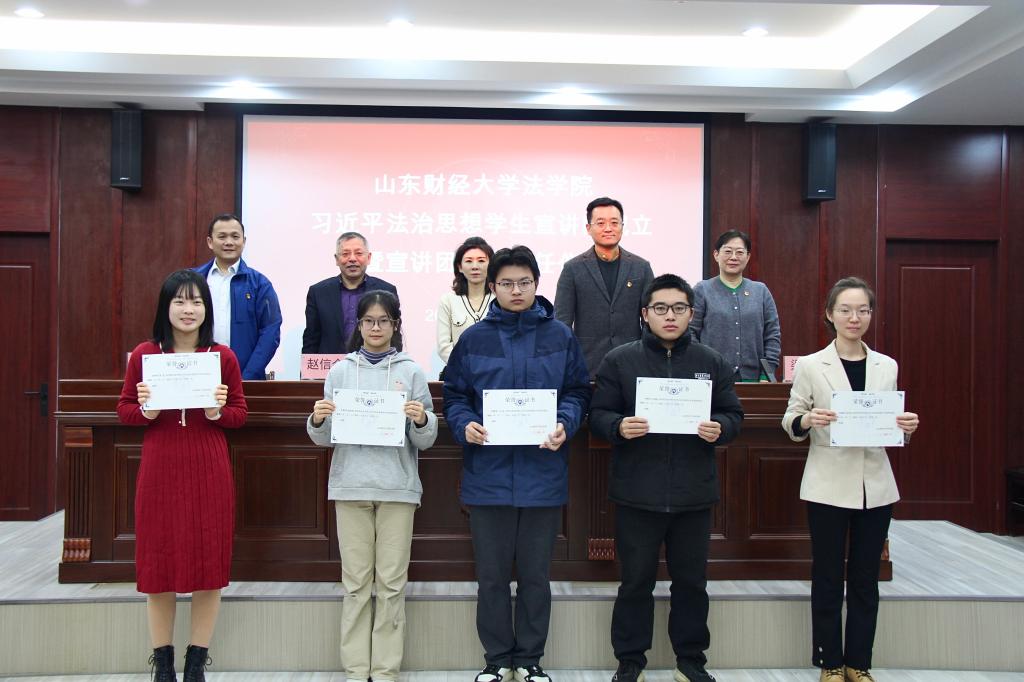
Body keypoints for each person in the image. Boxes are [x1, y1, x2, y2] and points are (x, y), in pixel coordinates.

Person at [443, 245, 591, 682]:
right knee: (490, 577)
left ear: (536, 284)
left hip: (542, 474)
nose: (516, 290)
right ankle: (496, 660)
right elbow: (455, 395)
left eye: (524, 282)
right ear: (493, 286)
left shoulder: (559, 336)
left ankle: (529, 659)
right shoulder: (474, 339)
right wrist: (465, 424)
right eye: (506, 283)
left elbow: (578, 391)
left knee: (535, 577)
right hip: (487, 475)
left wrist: (565, 422)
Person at [590, 274, 743, 682]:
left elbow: (733, 414)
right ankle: (630, 661)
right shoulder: (620, 360)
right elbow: (598, 414)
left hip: (693, 494)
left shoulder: (711, 361)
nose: (669, 316)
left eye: (678, 308)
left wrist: (721, 428)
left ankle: (690, 661)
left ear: (691, 313)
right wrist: (618, 426)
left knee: (691, 583)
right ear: (645, 314)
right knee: (635, 581)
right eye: (660, 308)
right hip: (636, 492)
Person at [781, 277, 919, 682]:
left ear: (871, 315)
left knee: (865, 578)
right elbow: (791, 419)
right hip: (827, 483)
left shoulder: (886, 365)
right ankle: (830, 663)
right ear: (830, 314)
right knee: (827, 576)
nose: (854, 317)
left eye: (862, 310)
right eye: (845, 310)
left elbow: (889, 424)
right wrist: (808, 419)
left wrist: (906, 428)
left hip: (875, 486)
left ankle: (859, 663)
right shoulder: (811, 365)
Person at [117, 269, 247, 682]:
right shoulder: (145, 355)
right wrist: (147, 410)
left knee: (209, 566)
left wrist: (217, 412)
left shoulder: (222, 357)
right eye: (179, 301)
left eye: (196, 302)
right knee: (158, 568)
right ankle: (163, 665)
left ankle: (196, 663)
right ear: (165, 307)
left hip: (209, 468)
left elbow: (239, 414)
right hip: (160, 468)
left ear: (206, 309)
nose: (188, 309)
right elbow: (124, 410)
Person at [307, 290, 437, 682]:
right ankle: (355, 670)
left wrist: (420, 419)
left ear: (395, 325)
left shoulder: (411, 372)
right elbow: (324, 437)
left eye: (383, 321)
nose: (376, 328)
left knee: (392, 585)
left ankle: (384, 671)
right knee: (356, 585)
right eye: (368, 321)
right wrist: (318, 418)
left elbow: (426, 439)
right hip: (351, 487)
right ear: (359, 325)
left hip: (397, 489)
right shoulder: (340, 372)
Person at [555, 196, 654, 374]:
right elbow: (562, 322)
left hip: (632, 363)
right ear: (588, 228)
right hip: (587, 365)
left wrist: (647, 357)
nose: (608, 228)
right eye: (600, 223)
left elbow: (650, 319)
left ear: (622, 226)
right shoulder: (572, 268)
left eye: (614, 222)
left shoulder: (641, 267)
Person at [192, 212, 282, 380]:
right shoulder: (193, 280)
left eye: (235, 236)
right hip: (198, 375)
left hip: (245, 379)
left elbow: (270, 333)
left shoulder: (260, 284)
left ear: (244, 241)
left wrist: (246, 378)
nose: (229, 242)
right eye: (222, 237)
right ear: (210, 242)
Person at [690, 230, 781, 381]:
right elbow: (690, 333)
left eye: (739, 252)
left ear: (748, 257)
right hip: (712, 377)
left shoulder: (761, 291)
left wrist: (767, 373)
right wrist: (701, 366)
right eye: (727, 251)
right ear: (716, 255)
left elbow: (772, 335)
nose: (733, 257)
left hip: (754, 379)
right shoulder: (702, 290)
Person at [303, 232, 398, 354]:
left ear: (368, 257)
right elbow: (311, 339)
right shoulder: (318, 292)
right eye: (345, 254)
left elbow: (394, 336)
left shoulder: (386, 290)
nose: (352, 259)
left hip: (374, 363)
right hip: (331, 364)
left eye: (358, 253)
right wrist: (306, 366)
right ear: (336, 259)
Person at [436, 236, 495, 369]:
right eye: (469, 261)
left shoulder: (499, 299)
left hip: (494, 372)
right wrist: (467, 368)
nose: (475, 266)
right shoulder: (448, 300)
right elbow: (443, 346)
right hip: (459, 372)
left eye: (481, 261)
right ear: (460, 267)